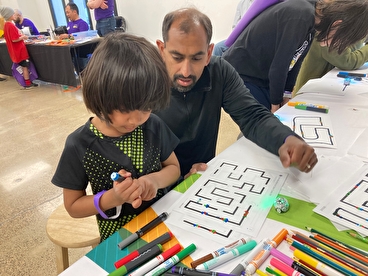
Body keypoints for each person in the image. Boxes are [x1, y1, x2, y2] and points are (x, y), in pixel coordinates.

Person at [154, 8, 317, 180]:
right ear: (162, 50)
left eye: (196, 58)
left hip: (201, 177)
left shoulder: (220, 71)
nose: (186, 71)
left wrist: (286, 139)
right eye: (177, 58)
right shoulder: (144, 80)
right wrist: (172, 179)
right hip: (155, 186)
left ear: (209, 53)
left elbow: (252, 116)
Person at [51, 32, 181, 241]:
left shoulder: (153, 125)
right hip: (119, 239)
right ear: (100, 96)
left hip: (163, 224)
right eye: (125, 109)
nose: (136, 119)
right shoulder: (79, 144)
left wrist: (153, 181)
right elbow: (73, 206)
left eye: (146, 107)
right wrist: (112, 198)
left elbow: (174, 168)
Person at [223, 0, 368, 113]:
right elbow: (280, 66)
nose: (335, 46)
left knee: (275, 116)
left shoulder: (313, 22)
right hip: (241, 73)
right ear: (337, 24)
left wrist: (287, 93)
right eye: (341, 40)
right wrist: (275, 104)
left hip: (263, 75)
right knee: (263, 121)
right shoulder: (301, 16)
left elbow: (296, 61)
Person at [293, 37, 368, 94]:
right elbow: (347, 61)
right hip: (310, 93)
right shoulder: (331, 31)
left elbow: (353, 50)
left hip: (326, 89)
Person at [0, 6, 37, 88]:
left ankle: (27, 82)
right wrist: (23, 37)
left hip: (15, 51)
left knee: (24, 67)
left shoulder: (6, 25)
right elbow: (14, 39)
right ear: (9, 15)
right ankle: (27, 83)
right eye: (13, 14)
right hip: (19, 51)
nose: (14, 15)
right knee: (25, 67)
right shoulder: (10, 25)